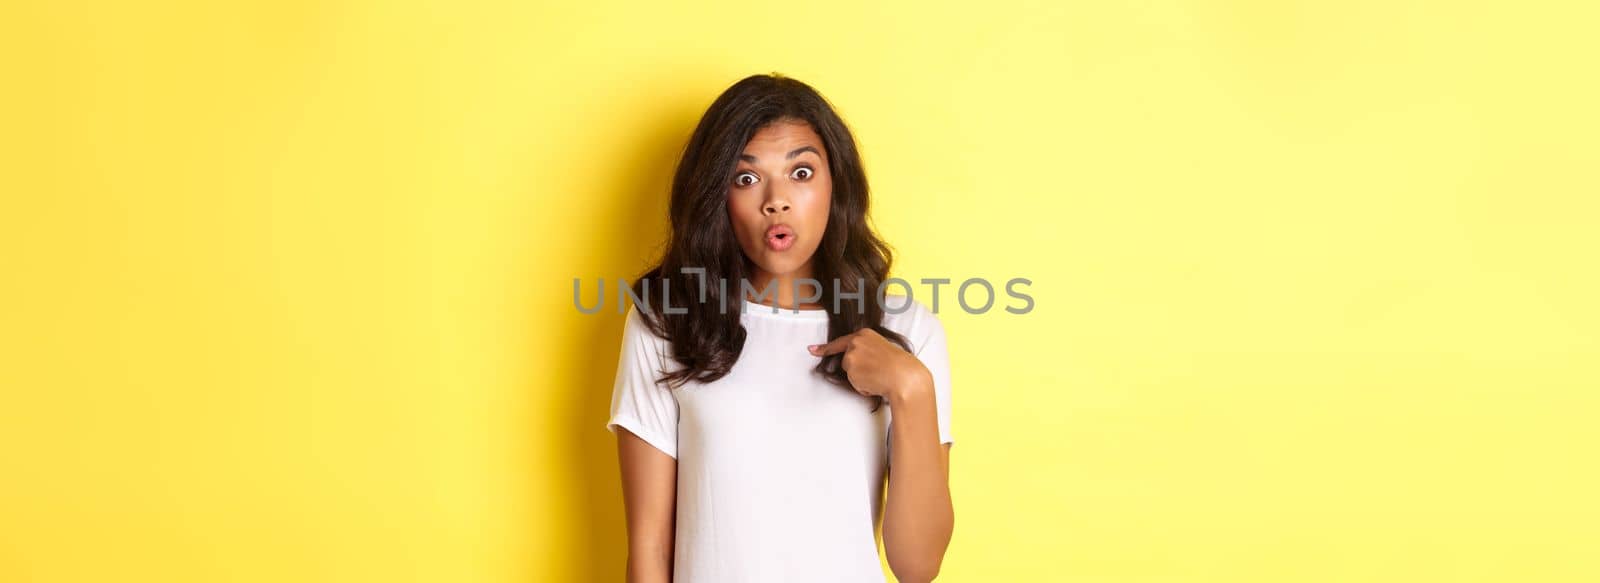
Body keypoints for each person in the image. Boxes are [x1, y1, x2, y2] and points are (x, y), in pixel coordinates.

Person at [605, 73, 955, 583]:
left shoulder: (905, 328)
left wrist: (912, 388)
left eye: (802, 172)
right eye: (746, 178)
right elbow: (650, 549)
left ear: (836, 184)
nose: (777, 200)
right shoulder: (666, 322)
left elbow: (918, 567)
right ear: (716, 197)